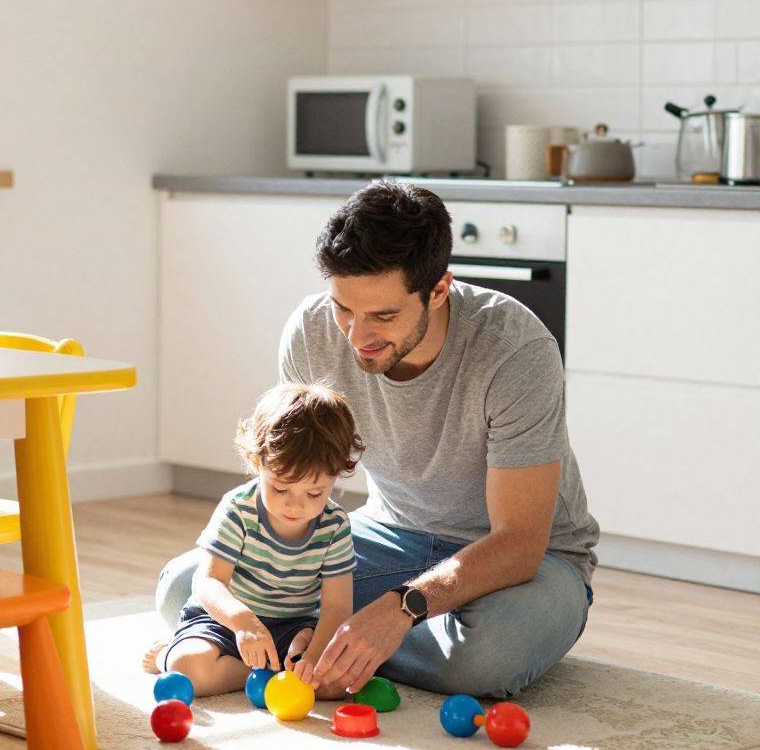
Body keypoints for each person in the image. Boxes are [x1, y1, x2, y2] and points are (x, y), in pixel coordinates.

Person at [155, 180, 599, 700]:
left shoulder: (514, 351)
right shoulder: (312, 332)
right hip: (388, 535)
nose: (356, 336)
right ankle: (337, 646)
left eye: (383, 316)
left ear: (438, 290)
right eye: (345, 308)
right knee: (183, 586)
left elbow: (520, 543)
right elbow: (291, 478)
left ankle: (328, 643)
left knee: (483, 656)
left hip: (529, 561)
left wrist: (401, 608)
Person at [143, 383, 361, 697]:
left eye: (314, 493)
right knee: (188, 668)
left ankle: (277, 668)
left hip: (293, 626)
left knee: (339, 682)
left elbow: (337, 607)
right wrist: (243, 622)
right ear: (258, 463)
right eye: (281, 488)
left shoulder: (334, 524)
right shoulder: (238, 509)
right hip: (227, 621)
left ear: (336, 475)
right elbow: (208, 582)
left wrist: (313, 658)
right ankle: (171, 654)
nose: (295, 505)